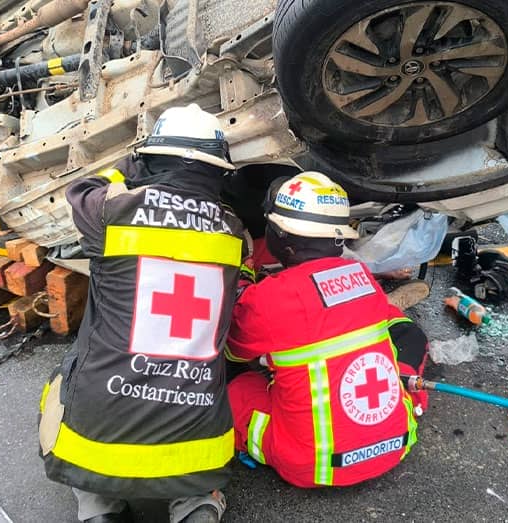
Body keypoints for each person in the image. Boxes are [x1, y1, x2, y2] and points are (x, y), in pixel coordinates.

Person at [39, 104, 243, 523]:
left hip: (103, 428)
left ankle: (99, 505)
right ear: (216, 171)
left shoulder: (109, 212)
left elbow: (80, 189)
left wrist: (127, 169)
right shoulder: (234, 229)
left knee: (57, 386)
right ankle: (197, 503)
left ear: (151, 159)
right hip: (197, 434)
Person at [225, 171, 430, 488]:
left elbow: (232, 347)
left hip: (312, 466)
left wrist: (242, 275)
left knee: (238, 389)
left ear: (281, 237)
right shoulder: (360, 275)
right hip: (395, 446)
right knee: (392, 326)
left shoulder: (272, 298)